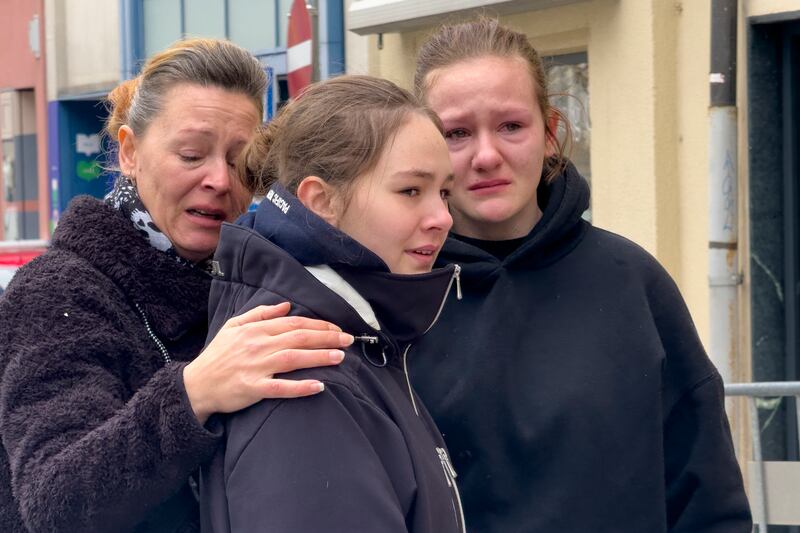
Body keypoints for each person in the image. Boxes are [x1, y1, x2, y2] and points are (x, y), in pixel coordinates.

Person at [407, 18, 753, 532]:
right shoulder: (394, 298)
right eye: (456, 133)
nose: (486, 155)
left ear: (550, 133)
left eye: (510, 126)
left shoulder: (633, 284)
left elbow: (707, 500)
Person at [0, 38, 350, 533]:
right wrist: (194, 393)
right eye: (191, 154)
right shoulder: (58, 292)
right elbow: (55, 499)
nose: (219, 180)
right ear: (128, 151)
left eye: (238, 160)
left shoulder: (247, 284)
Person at [201, 75, 464, 533]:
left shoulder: (355, 337)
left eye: (444, 191)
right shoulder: (307, 376)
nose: (443, 218)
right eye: (410, 191)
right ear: (321, 201)